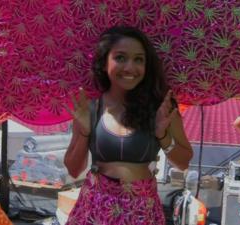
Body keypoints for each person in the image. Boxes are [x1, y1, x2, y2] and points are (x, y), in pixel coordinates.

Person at [64, 26, 193, 224]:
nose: (130, 68)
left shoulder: (162, 109)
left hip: (141, 211)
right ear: (104, 62)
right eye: (120, 58)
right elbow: (74, 170)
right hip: (95, 210)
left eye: (138, 59)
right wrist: (84, 131)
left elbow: (184, 162)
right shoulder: (89, 109)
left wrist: (163, 135)